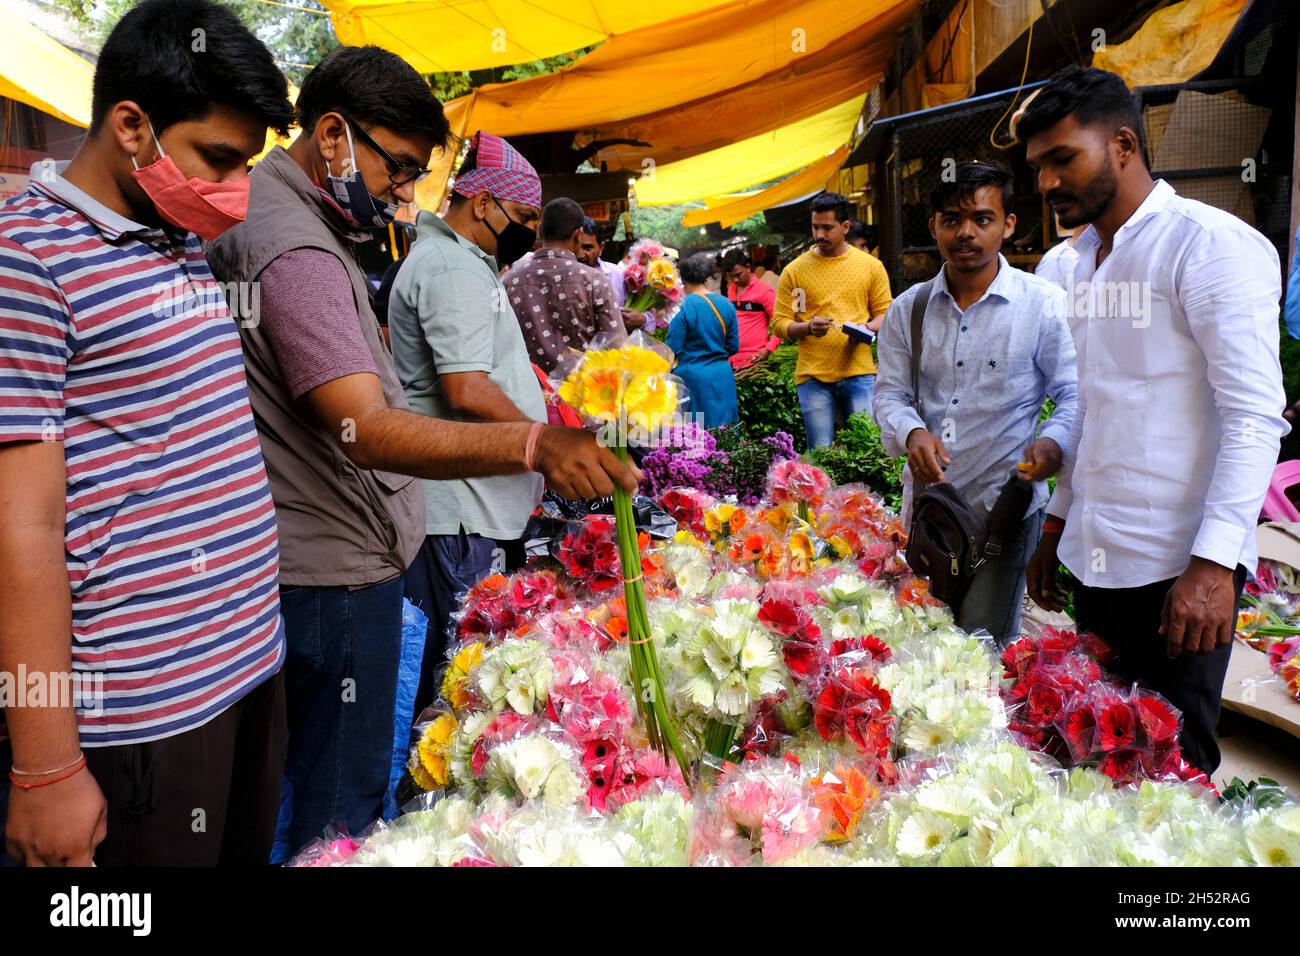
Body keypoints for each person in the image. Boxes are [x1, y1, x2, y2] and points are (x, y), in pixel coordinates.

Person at [205, 48, 636, 855]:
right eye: (398, 167)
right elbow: (362, 425)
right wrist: (537, 442)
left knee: (311, 795)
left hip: (320, 558)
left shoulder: (293, 223)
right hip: (330, 571)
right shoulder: (295, 246)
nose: (406, 191)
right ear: (332, 135)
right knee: (340, 816)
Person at [0, 0, 293, 867]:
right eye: (218, 159)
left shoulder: (173, 236)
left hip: (243, 665)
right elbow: (23, 525)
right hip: (141, 710)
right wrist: (47, 766)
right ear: (131, 125)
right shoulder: (26, 260)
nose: (234, 192)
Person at [1020, 67, 1288, 774]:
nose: (1047, 184)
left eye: (1062, 159)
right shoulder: (1064, 267)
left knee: (1177, 768)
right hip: (1097, 555)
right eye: (1038, 167)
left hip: (1180, 569)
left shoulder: (1209, 247)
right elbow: (1087, 412)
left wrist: (1212, 566)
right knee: (1100, 749)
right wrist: (1056, 525)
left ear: (1124, 146)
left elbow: (1254, 417)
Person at [873, 160, 1077, 645]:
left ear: (1008, 224)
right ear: (934, 227)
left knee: (978, 644)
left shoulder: (1042, 303)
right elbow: (889, 393)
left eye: (982, 219)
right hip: (930, 514)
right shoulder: (910, 309)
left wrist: (1053, 442)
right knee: (927, 639)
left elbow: (1071, 394)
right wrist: (911, 431)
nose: (965, 232)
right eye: (951, 220)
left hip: (1003, 513)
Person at [387, 131, 548, 716]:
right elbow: (466, 388)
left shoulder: (460, 261)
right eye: (523, 216)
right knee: (457, 678)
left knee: (462, 669)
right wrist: (547, 444)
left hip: (471, 509)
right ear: (483, 203)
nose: (528, 229)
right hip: (459, 514)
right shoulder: (453, 266)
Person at [773, 191, 894, 448]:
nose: (819, 235)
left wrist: (866, 328)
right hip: (812, 376)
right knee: (820, 450)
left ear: (845, 227)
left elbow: (886, 314)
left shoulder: (870, 266)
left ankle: (864, 491)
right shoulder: (794, 271)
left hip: (859, 373)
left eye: (827, 228)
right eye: (815, 227)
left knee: (866, 447)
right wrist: (806, 327)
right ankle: (822, 491)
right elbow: (780, 323)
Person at [507, 197, 623, 374]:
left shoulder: (508, 282)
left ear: (540, 231)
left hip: (524, 396)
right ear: (578, 234)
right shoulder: (595, 282)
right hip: (582, 395)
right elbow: (617, 348)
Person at [666, 253, 740, 428]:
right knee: (725, 434)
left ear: (683, 281)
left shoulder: (682, 306)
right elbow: (733, 346)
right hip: (722, 376)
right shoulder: (726, 304)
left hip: (692, 379)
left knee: (698, 436)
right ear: (706, 278)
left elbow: (671, 349)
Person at [578, 216, 649, 332]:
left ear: (601, 248)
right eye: (576, 247)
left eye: (587, 247)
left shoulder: (620, 275)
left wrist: (643, 319)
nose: (580, 254)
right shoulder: (558, 276)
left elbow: (654, 313)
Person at [722, 248, 779, 369]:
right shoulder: (731, 289)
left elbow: (781, 322)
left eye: (738, 275)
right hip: (731, 360)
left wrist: (769, 349)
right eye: (732, 277)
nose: (735, 280)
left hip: (753, 361)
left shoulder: (764, 291)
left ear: (748, 267)